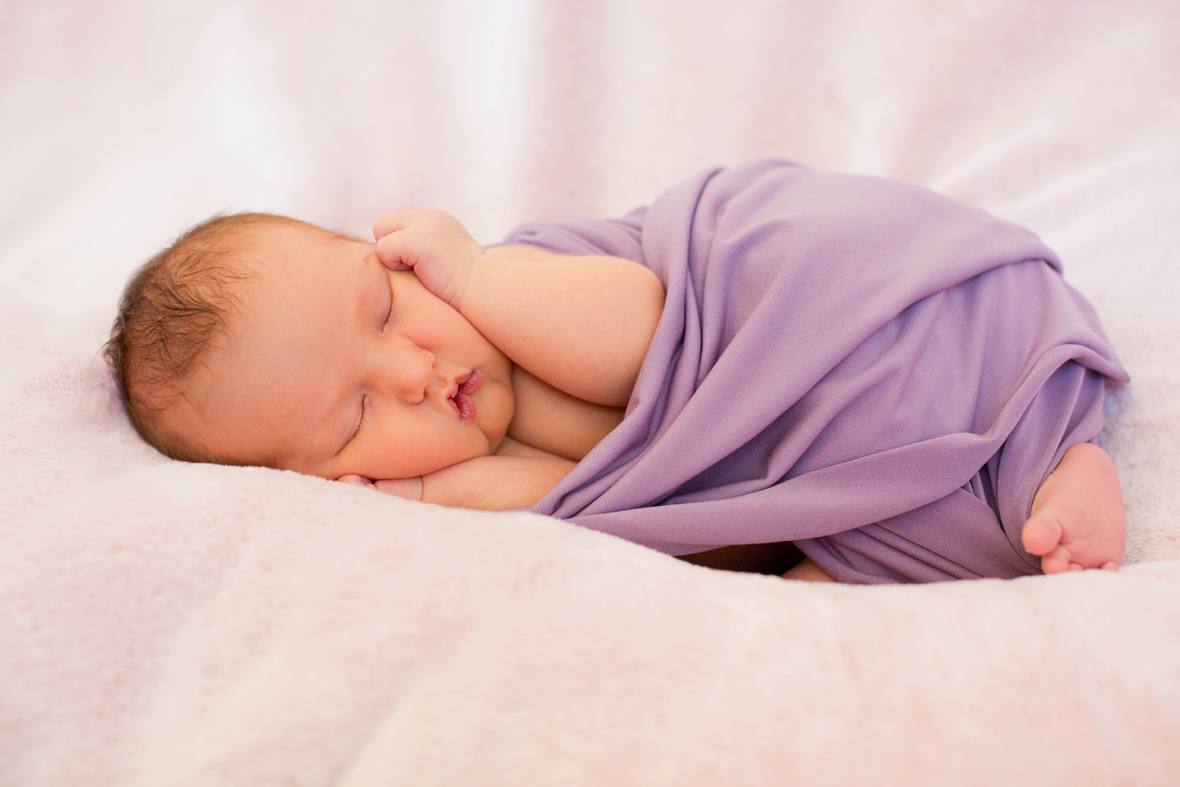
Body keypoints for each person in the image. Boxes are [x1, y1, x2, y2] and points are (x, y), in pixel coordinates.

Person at [101, 207, 1125, 583]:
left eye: (382, 310)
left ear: (401, 257)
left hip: (815, 301)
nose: (410, 369)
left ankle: (1053, 433)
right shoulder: (476, 470)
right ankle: (1040, 485)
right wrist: (444, 499)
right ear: (337, 479)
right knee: (831, 567)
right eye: (359, 416)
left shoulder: (514, 280)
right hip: (805, 464)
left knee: (924, 360)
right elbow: (625, 522)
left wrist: (477, 275)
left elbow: (644, 331)